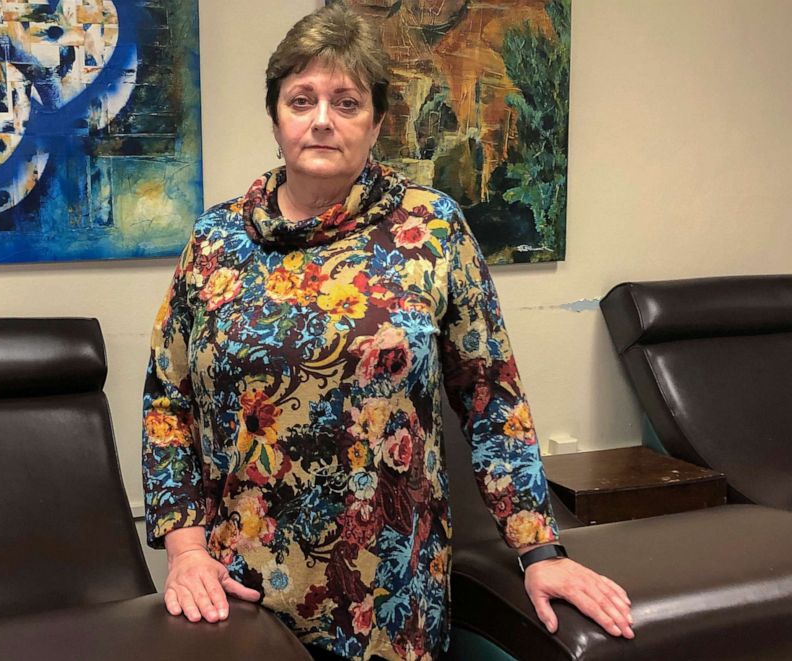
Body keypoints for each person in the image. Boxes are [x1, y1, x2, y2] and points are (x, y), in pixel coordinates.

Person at [141, 5, 633, 660]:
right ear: (276, 115)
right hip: (239, 592)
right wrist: (185, 551)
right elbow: (167, 402)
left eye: (346, 101)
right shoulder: (214, 240)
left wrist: (540, 550)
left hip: (392, 595)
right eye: (301, 99)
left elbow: (492, 399)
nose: (322, 118)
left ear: (376, 120)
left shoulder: (432, 230)